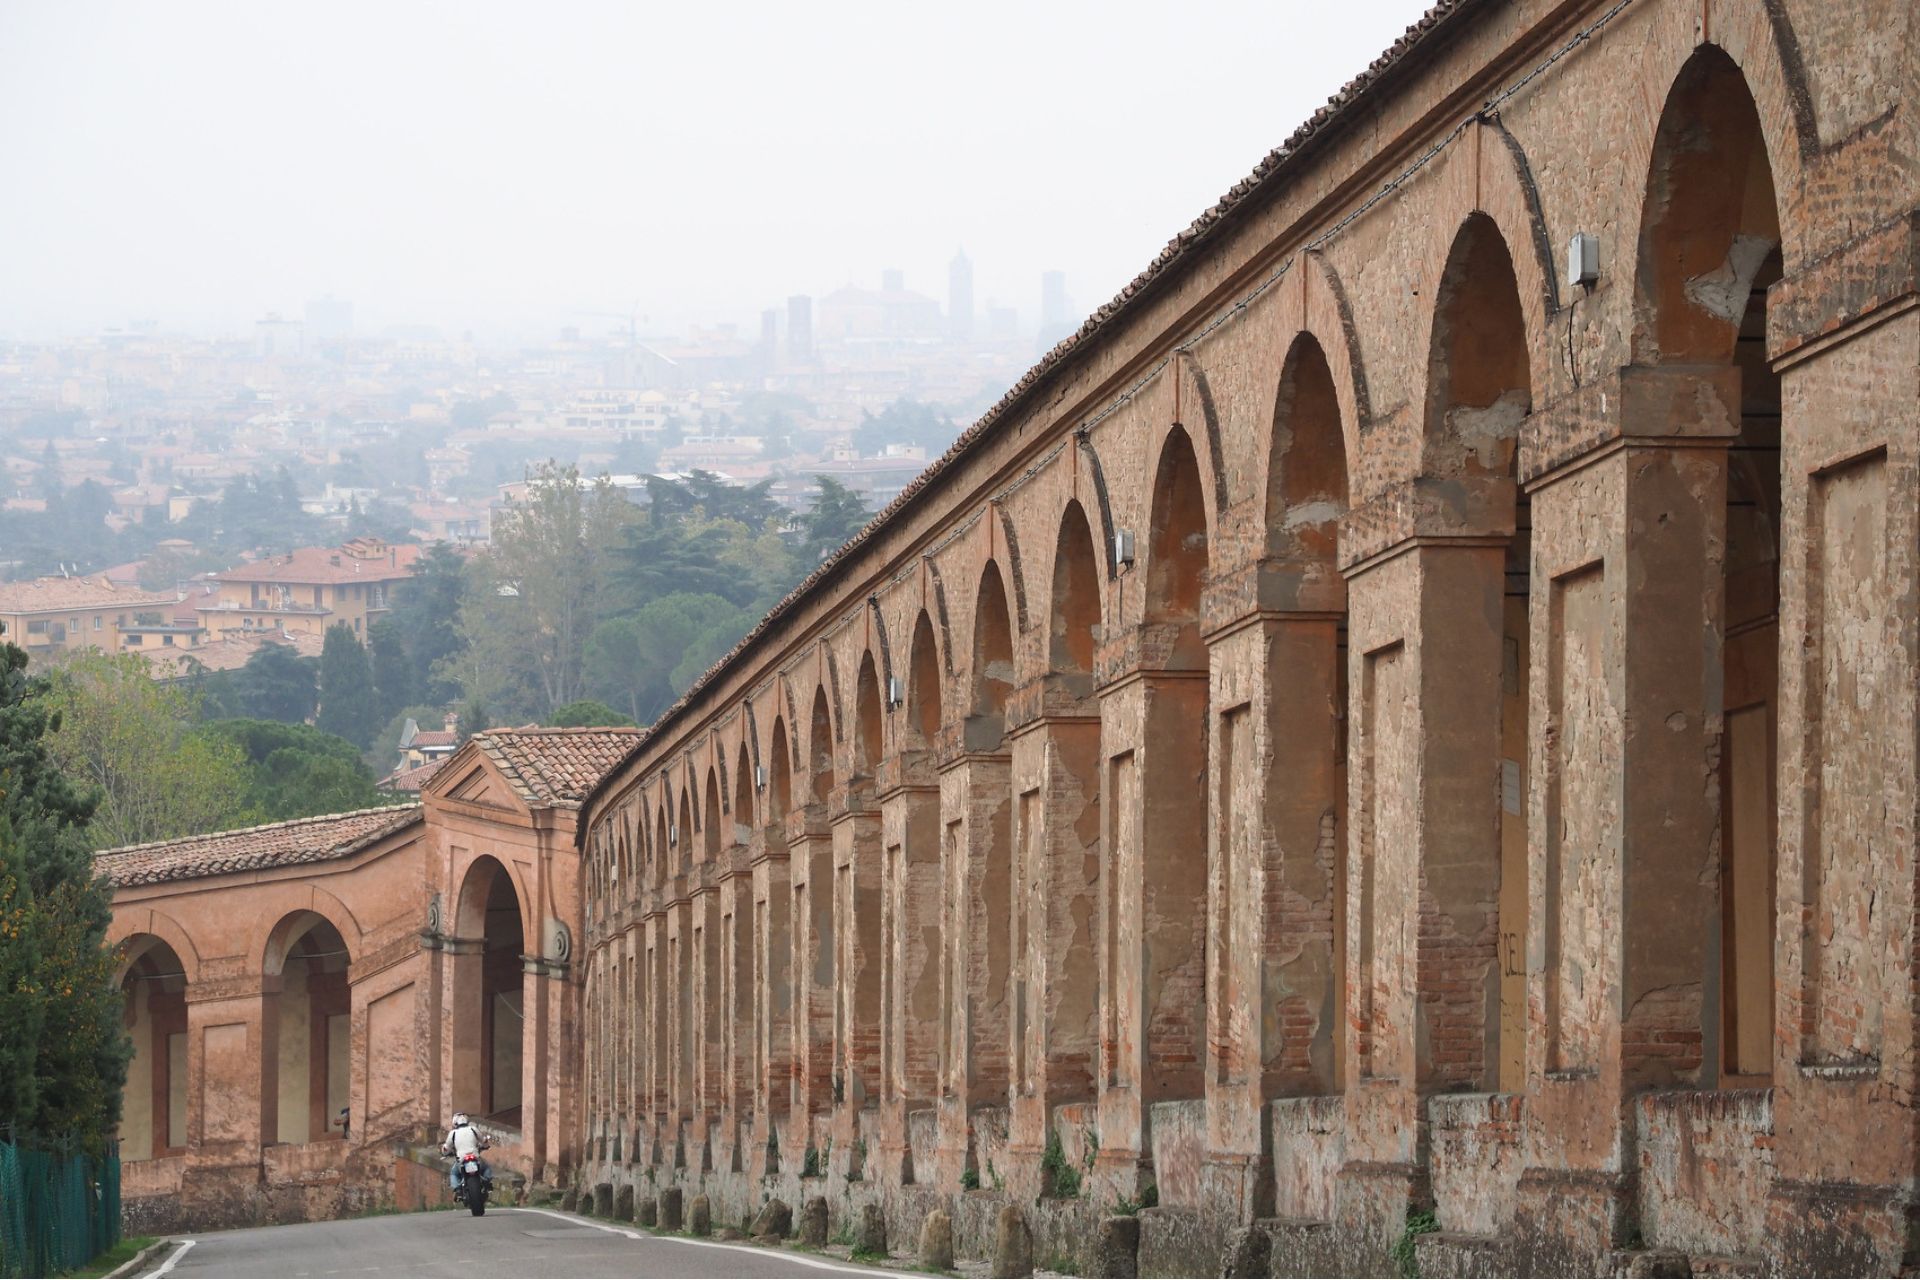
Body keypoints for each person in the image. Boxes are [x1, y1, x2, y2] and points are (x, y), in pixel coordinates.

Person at [441, 1111, 491, 1191]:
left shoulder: (453, 1133)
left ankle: (457, 1189)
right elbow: (484, 1141)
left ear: (455, 1123)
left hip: (462, 1159)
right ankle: (487, 1182)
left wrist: (444, 1153)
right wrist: (486, 1146)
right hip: (475, 1157)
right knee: (486, 1167)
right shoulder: (473, 1129)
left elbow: (446, 1148)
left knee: (454, 1173)